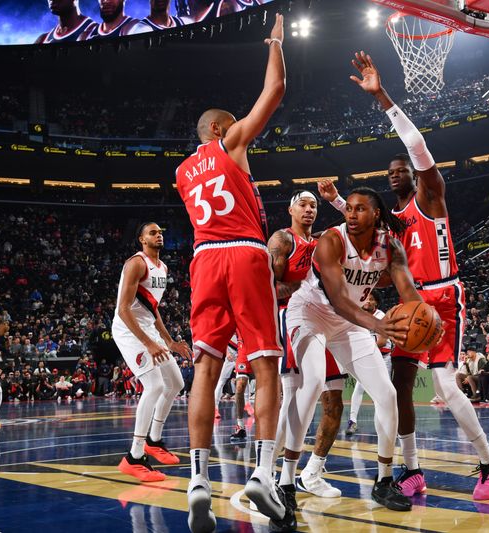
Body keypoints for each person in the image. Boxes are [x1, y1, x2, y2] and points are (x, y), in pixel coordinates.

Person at [326, 51, 489, 502]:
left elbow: (418, 145)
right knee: (399, 385)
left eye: (400, 171)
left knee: (445, 383)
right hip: (412, 302)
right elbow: (362, 230)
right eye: (389, 174)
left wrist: (382, 97)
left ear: (414, 173)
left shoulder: (430, 196)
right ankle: (412, 469)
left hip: (444, 296)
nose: (394, 176)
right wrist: (335, 203)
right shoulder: (393, 224)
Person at [176, 14, 286, 532]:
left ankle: (198, 481)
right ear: (218, 130)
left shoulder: (181, 172)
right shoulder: (230, 144)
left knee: (205, 369)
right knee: (265, 365)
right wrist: (275, 42)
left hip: (203, 260)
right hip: (243, 252)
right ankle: (263, 474)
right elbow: (275, 88)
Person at [284, 187, 414, 519]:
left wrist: (423, 317)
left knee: (387, 395)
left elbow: (407, 290)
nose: (351, 214)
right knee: (312, 384)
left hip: (348, 323)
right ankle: (285, 482)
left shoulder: (391, 247)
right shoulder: (331, 239)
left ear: (376, 215)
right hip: (310, 313)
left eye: (360, 209)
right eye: (349, 208)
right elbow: (340, 300)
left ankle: (384, 480)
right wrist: (377, 325)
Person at [269, 190, 347, 500]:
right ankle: (270, 470)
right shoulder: (282, 240)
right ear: (290, 208)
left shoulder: (323, 244)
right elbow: (269, 288)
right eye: (302, 203)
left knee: (334, 400)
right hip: (293, 316)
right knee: (293, 397)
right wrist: (305, 285)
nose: (309, 209)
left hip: (327, 320)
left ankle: (312, 472)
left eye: (314, 205)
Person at [112, 222, 190, 483]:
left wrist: (170, 342)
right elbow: (124, 310)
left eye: (161, 233)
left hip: (148, 330)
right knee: (155, 385)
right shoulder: (136, 263)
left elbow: (152, 309)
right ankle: (133, 457)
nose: (159, 236)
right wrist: (148, 343)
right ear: (142, 239)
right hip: (128, 330)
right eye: (153, 233)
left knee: (176, 383)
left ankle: (154, 441)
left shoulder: (163, 267)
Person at [347, 290, 393, 432]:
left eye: (371, 299)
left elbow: (382, 341)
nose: (368, 301)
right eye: (366, 298)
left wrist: (363, 347)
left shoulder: (381, 316)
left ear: (376, 303)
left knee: (383, 391)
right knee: (359, 388)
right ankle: (352, 421)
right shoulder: (358, 317)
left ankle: (386, 422)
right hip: (368, 357)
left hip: (383, 358)